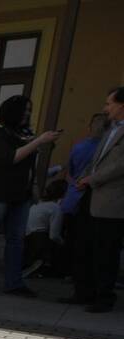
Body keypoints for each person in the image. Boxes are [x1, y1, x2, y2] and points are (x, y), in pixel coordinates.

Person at [0, 95, 62, 295]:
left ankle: (14, 283)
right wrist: (38, 141)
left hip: (22, 194)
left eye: (30, 110)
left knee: (16, 240)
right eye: (25, 110)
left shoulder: (24, 135)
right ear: (13, 112)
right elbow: (10, 158)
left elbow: (29, 164)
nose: (28, 114)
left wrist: (35, 185)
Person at [75, 86, 124, 313]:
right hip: (92, 194)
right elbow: (98, 159)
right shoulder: (109, 130)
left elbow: (118, 166)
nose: (105, 108)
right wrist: (85, 176)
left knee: (106, 250)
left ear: (121, 105)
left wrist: (91, 179)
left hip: (111, 199)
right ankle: (83, 291)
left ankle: (104, 297)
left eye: (109, 104)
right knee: (85, 244)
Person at [59, 113, 108, 298]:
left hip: (74, 196)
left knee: (75, 240)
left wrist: (74, 184)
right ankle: (89, 283)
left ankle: (73, 276)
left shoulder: (79, 147)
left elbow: (69, 171)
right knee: (94, 244)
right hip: (95, 198)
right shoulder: (104, 150)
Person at [22, 178, 66, 278]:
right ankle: (40, 263)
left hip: (26, 240)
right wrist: (64, 244)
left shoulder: (38, 204)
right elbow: (54, 236)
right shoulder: (55, 208)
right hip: (37, 242)